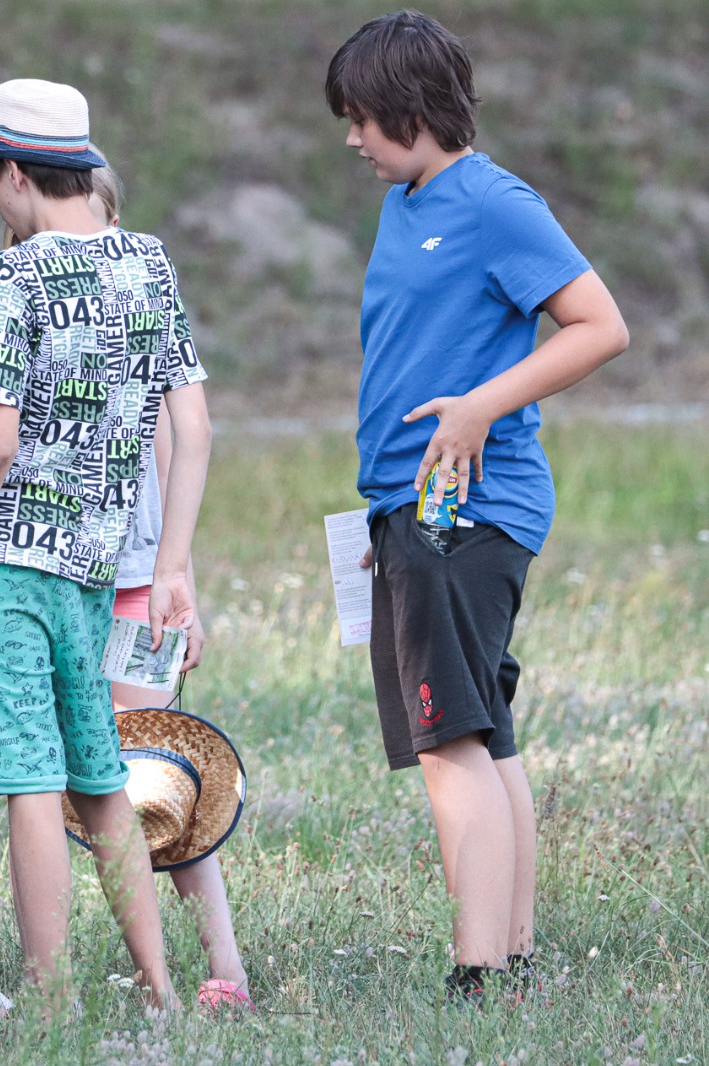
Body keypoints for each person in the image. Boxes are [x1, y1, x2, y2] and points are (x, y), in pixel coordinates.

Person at [325, 11, 628, 1002]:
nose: (352, 138)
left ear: (412, 108)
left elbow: (599, 326)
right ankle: (517, 950)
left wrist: (486, 405)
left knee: (447, 738)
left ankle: (479, 971)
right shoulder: (406, 200)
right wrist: (382, 514)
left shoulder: (495, 203)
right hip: (414, 511)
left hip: (468, 507)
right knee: (481, 733)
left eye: (362, 117)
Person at [0, 78, 214, 1014]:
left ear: (12, 174)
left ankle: (54, 1003)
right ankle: (161, 989)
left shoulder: (11, 276)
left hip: (8, 568)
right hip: (94, 575)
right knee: (100, 781)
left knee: (30, 785)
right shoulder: (150, 261)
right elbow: (195, 426)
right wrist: (170, 566)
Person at [83, 160, 253, 1014]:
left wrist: (178, 577)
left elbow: (174, 442)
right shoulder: (25, 302)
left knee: (153, 773)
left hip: (134, 586)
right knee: (72, 786)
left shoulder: (140, 303)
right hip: (53, 587)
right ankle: (144, 972)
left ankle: (223, 968)